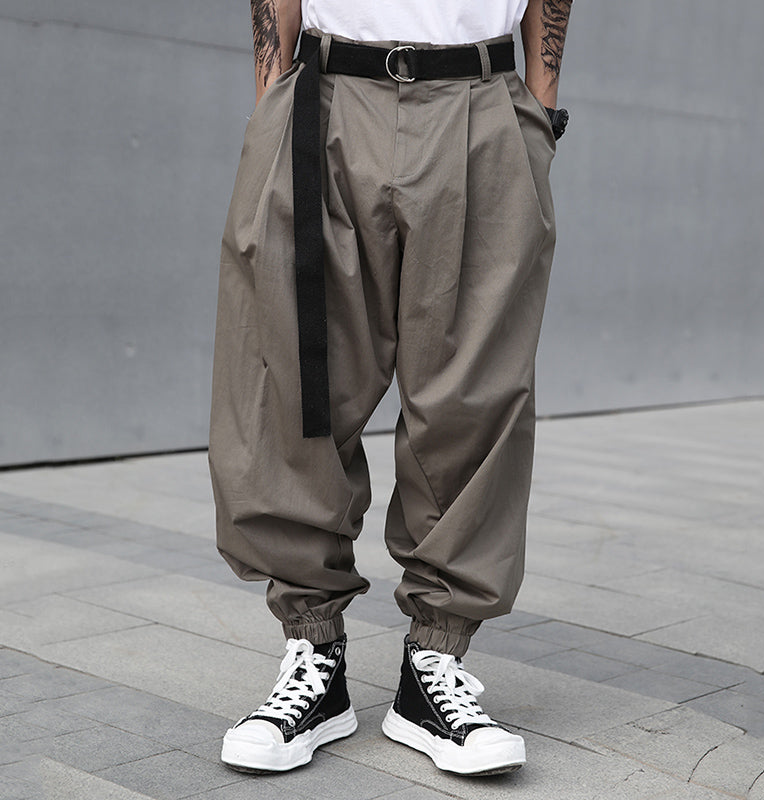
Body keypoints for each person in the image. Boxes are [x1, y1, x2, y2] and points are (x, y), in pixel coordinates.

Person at [208, 0, 573, 777]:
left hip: (482, 101)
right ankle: (313, 658)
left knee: (473, 395)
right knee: (292, 379)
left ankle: (432, 667)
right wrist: (272, 98)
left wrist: (537, 114)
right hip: (327, 96)